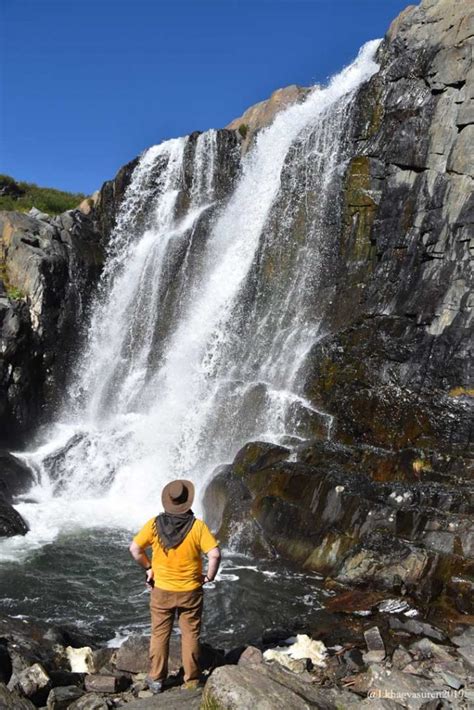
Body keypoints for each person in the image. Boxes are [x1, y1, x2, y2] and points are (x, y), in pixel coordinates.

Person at [129, 479, 221, 694]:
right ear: (187, 502)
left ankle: (156, 679)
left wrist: (148, 568)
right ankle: (191, 680)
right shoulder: (197, 527)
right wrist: (209, 576)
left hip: (161, 590)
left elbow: (134, 548)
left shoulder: (154, 524)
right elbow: (215, 554)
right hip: (190, 590)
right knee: (190, 634)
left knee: (160, 634)